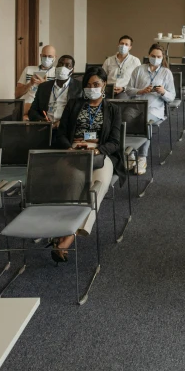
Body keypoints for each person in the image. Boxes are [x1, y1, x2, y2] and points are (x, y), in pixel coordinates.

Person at [52, 66, 127, 262]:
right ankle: (64, 231)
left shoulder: (113, 110)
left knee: (96, 188)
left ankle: (68, 236)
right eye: (88, 85)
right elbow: (60, 134)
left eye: (96, 84)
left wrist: (97, 150)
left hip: (100, 154)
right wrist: (69, 148)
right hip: (74, 152)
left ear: (104, 86)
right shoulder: (74, 105)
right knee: (74, 185)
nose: (91, 88)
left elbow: (115, 142)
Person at [125, 44, 175, 160]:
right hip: (136, 106)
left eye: (158, 56)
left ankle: (142, 157)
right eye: (153, 56)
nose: (155, 58)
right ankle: (130, 153)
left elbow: (172, 97)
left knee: (144, 121)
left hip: (154, 109)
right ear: (148, 55)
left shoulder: (166, 73)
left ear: (162, 58)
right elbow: (128, 90)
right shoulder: (139, 69)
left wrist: (163, 92)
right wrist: (141, 91)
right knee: (125, 119)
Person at [27, 55, 82, 127]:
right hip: (45, 128)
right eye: (61, 64)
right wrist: (42, 120)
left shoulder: (79, 88)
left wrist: (61, 123)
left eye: (67, 65)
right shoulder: (43, 87)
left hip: (65, 129)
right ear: (56, 67)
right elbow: (32, 111)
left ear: (72, 70)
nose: (63, 67)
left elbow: (80, 113)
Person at [16, 45, 57, 117]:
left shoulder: (57, 72)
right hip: (25, 104)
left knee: (25, 115)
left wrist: (44, 85)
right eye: (44, 56)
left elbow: (58, 95)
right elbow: (17, 94)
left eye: (50, 56)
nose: (46, 58)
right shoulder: (28, 69)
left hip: (43, 105)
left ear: (55, 57)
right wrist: (30, 84)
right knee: (23, 116)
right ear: (40, 56)